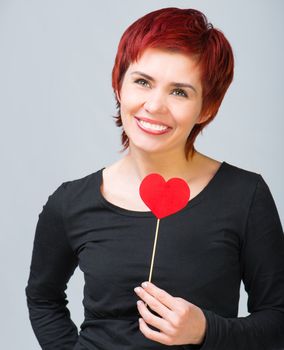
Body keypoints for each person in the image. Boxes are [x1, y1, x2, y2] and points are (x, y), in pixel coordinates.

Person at [25, 7, 284, 350]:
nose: (155, 105)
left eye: (180, 91)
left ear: (206, 108)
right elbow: (43, 299)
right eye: (143, 82)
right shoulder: (70, 202)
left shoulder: (245, 195)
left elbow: (278, 319)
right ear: (119, 84)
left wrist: (206, 330)